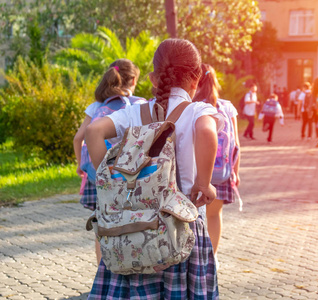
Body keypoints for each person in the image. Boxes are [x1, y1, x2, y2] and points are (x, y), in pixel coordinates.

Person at [84, 38, 222, 299]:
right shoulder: (197, 110)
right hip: (182, 229)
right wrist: (204, 184)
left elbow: (93, 131)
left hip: (135, 228)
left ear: (153, 78)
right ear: (197, 78)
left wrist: (110, 183)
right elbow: (207, 132)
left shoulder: (135, 112)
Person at [73, 58, 145, 265]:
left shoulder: (96, 106)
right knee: (134, 219)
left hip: (100, 174)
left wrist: (81, 164)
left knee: (103, 221)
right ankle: (134, 263)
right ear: (133, 81)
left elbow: (79, 138)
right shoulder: (139, 104)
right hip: (132, 174)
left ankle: (102, 269)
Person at [193, 64, 241, 262]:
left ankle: (193, 259)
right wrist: (235, 172)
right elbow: (236, 144)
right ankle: (211, 259)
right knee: (213, 216)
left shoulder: (192, 106)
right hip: (221, 172)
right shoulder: (227, 107)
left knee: (192, 217)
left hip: (195, 171)